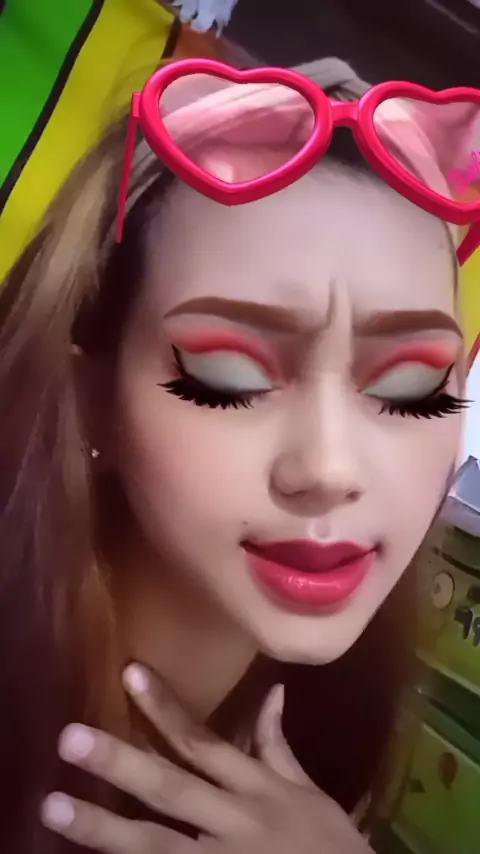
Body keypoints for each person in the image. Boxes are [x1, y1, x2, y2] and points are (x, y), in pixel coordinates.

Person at [0, 57, 471, 854]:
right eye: (229, 376)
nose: (330, 468)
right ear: (89, 398)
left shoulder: (330, 728)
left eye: (411, 388)